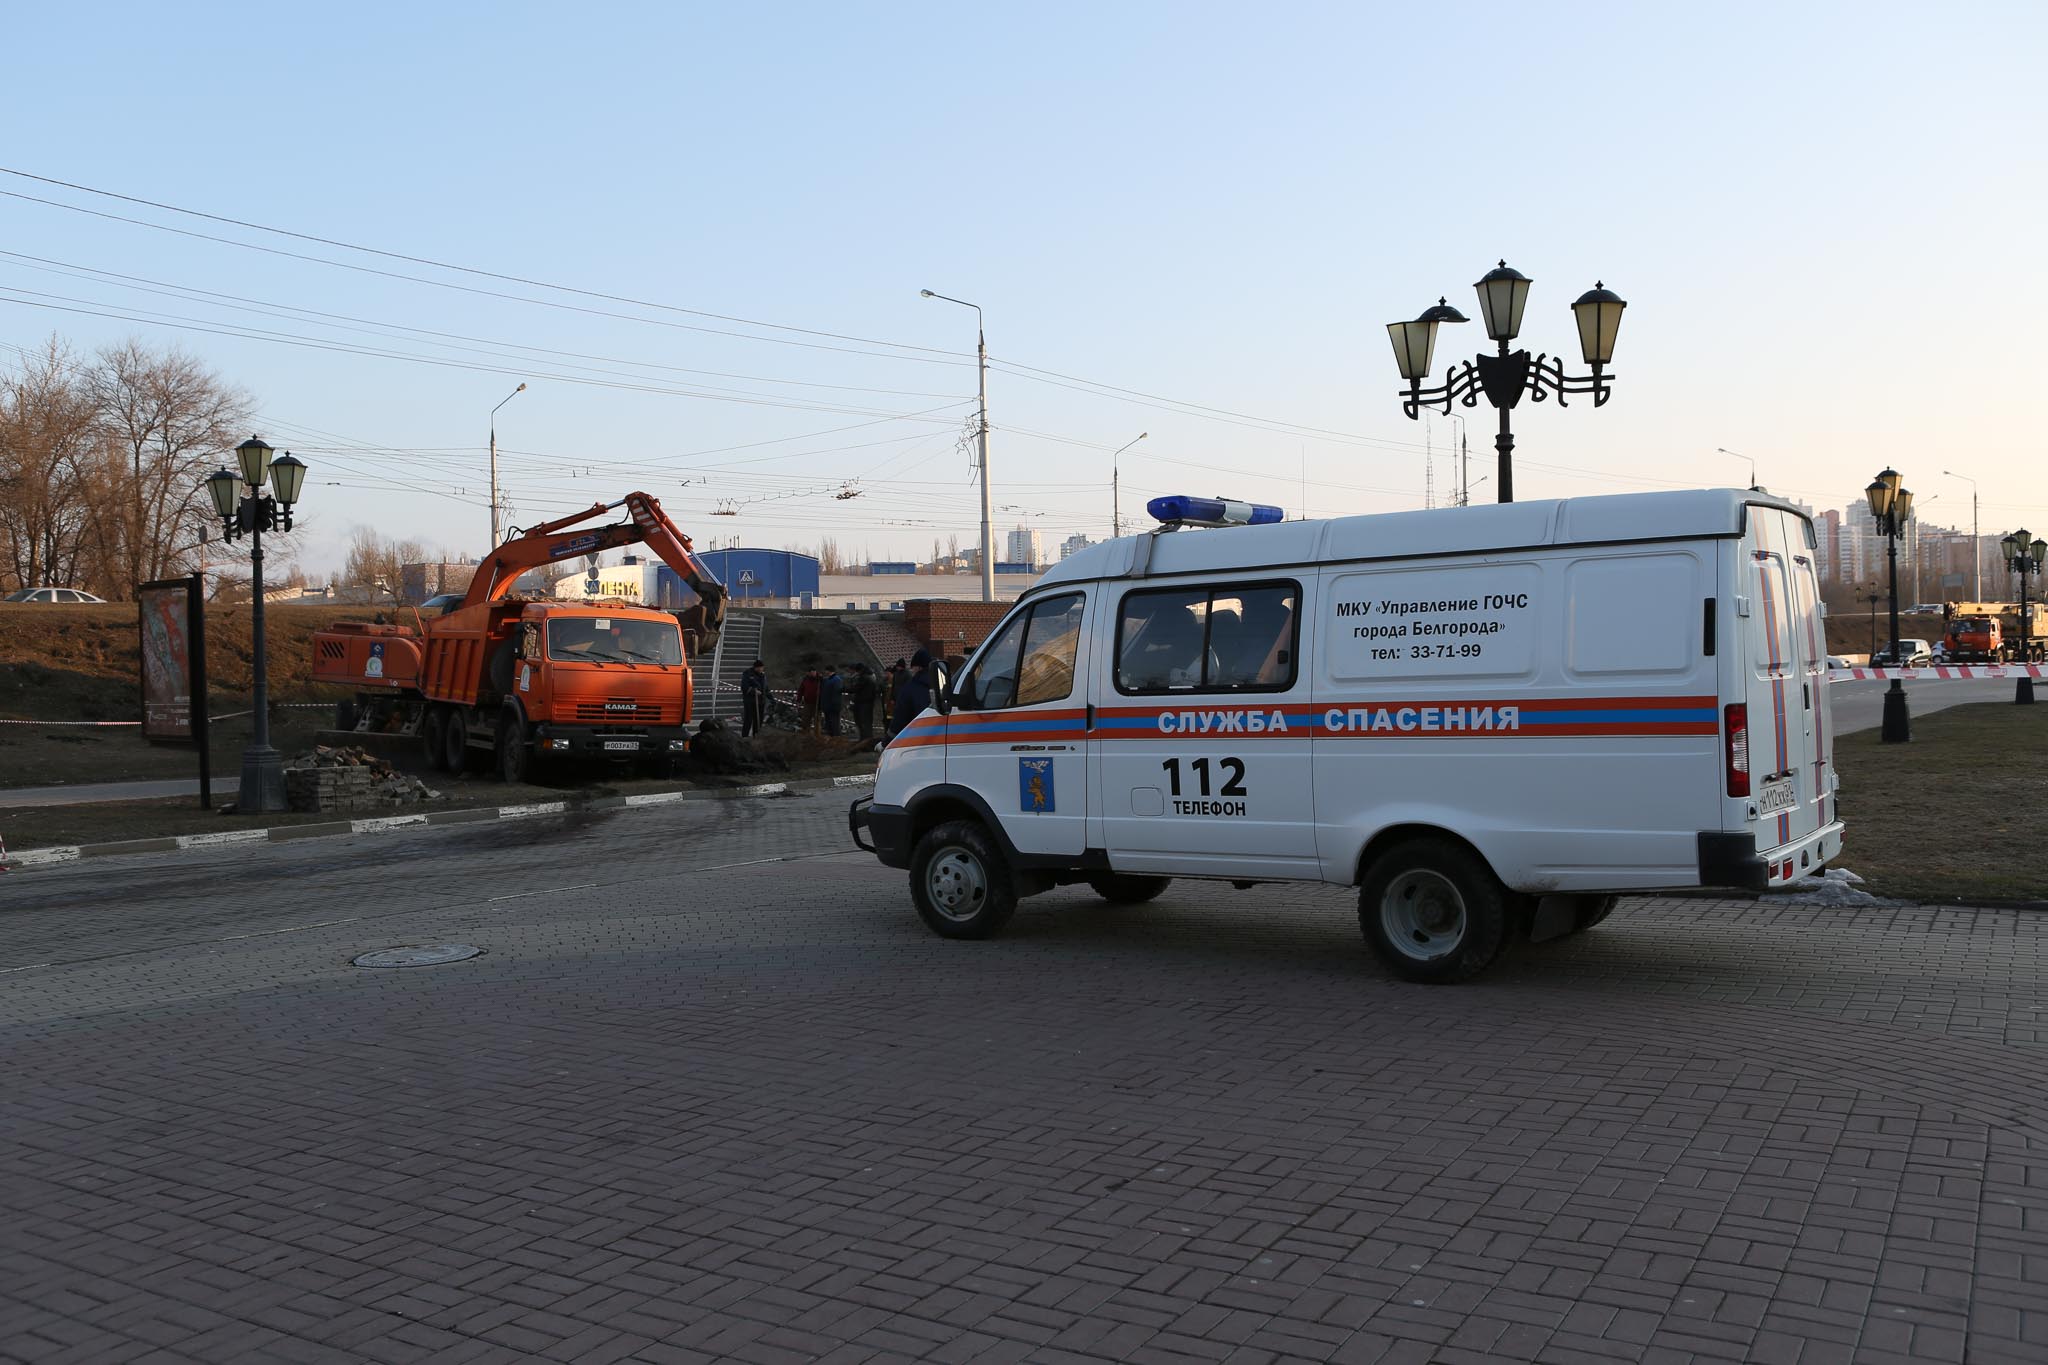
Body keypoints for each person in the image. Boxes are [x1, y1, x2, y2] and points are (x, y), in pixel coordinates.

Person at [892, 650, 933, 736]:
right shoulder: (941, 684)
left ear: (918, 667)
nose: (912, 670)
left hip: (915, 737)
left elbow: (899, 720)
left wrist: (886, 742)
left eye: (913, 667)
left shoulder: (911, 688)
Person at [740, 659, 768, 737]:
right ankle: (744, 736)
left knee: (759, 720)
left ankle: (756, 735)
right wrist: (753, 691)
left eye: (762, 667)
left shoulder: (763, 675)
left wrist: (770, 698)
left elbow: (766, 688)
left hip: (760, 701)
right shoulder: (747, 674)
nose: (760, 669)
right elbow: (744, 686)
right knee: (748, 719)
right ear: (755, 667)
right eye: (759, 668)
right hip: (750, 701)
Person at [851, 663, 878, 741]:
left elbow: (856, 688)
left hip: (863, 703)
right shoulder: (871, 676)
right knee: (867, 722)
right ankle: (867, 739)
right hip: (868, 702)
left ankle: (865, 740)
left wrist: (844, 688)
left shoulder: (864, 678)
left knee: (863, 722)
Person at [797, 667, 822, 736]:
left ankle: (817, 734)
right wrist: (798, 700)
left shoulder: (820, 679)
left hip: (817, 703)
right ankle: (806, 733)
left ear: (815, 672)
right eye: (809, 673)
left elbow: (824, 690)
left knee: (817, 719)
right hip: (807, 702)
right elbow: (801, 690)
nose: (811, 674)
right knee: (806, 718)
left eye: (812, 672)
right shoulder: (805, 679)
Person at [821, 665, 844, 737]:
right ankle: (831, 737)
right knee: (829, 724)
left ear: (829, 671)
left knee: (834, 724)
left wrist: (835, 706)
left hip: (833, 707)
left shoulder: (836, 680)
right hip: (827, 706)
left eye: (826, 670)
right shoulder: (828, 680)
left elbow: (836, 694)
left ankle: (837, 738)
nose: (825, 672)